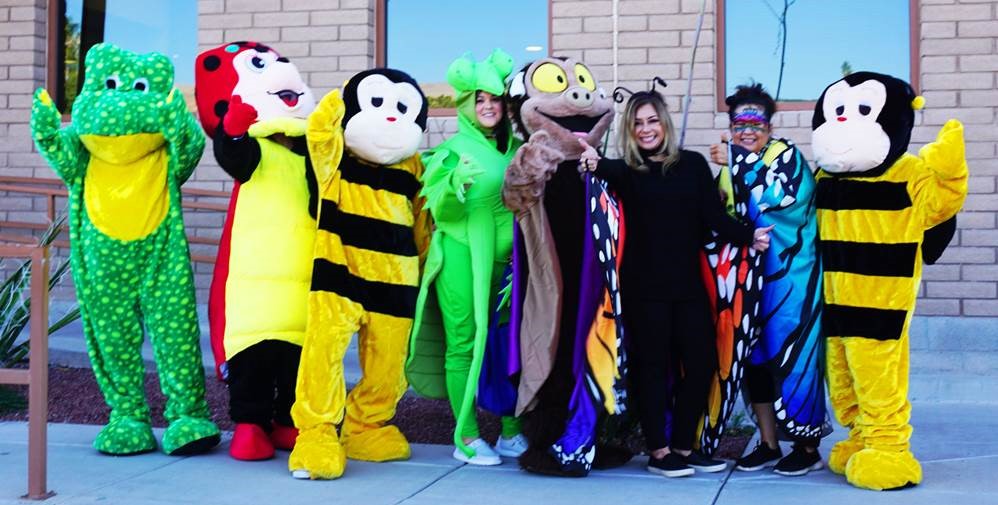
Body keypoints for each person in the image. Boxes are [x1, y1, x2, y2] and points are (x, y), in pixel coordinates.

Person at [579, 88, 772, 478]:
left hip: (687, 287)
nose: (646, 129)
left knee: (700, 365)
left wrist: (749, 235)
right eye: (637, 124)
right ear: (630, 131)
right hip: (643, 290)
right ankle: (659, 451)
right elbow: (592, 169)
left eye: (651, 120)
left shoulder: (693, 165)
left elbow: (712, 218)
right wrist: (587, 160)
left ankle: (684, 447)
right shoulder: (623, 170)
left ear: (663, 122)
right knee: (652, 369)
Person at [407, 49, 527, 466]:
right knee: (463, 343)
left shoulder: (517, 148)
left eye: (494, 99)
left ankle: (512, 430)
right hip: (460, 259)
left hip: (509, 267)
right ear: (464, 105)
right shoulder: (454, 149)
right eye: (479, 99)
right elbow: (441, 212)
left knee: (507, 344)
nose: (488, 106)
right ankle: (468, 435)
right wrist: (453, 185)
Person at [708, 83, 827, 476]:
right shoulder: (729, 163)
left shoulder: (787, 157)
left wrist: (736, 160)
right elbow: (720, 216)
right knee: (755, 362)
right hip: (747, 283)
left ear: (770, 125)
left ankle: (807, 446)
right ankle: (768, 442)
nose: (747, 130)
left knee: (795, 360)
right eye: (739, 122)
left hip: (791, 281)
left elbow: (780, 203)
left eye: (755, 122)